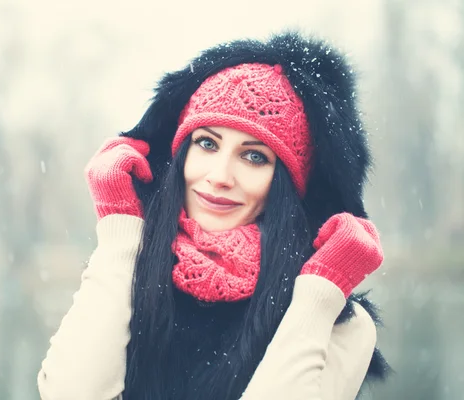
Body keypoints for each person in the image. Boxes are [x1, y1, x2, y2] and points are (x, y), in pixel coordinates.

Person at [37, 31, 391, 400]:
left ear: (286, 185)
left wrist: (320, 294)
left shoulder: (338, 321)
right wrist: (121, 227)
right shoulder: (124, 276)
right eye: (207, 143)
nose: (220, 176)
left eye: (254, 156)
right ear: (182, 154)